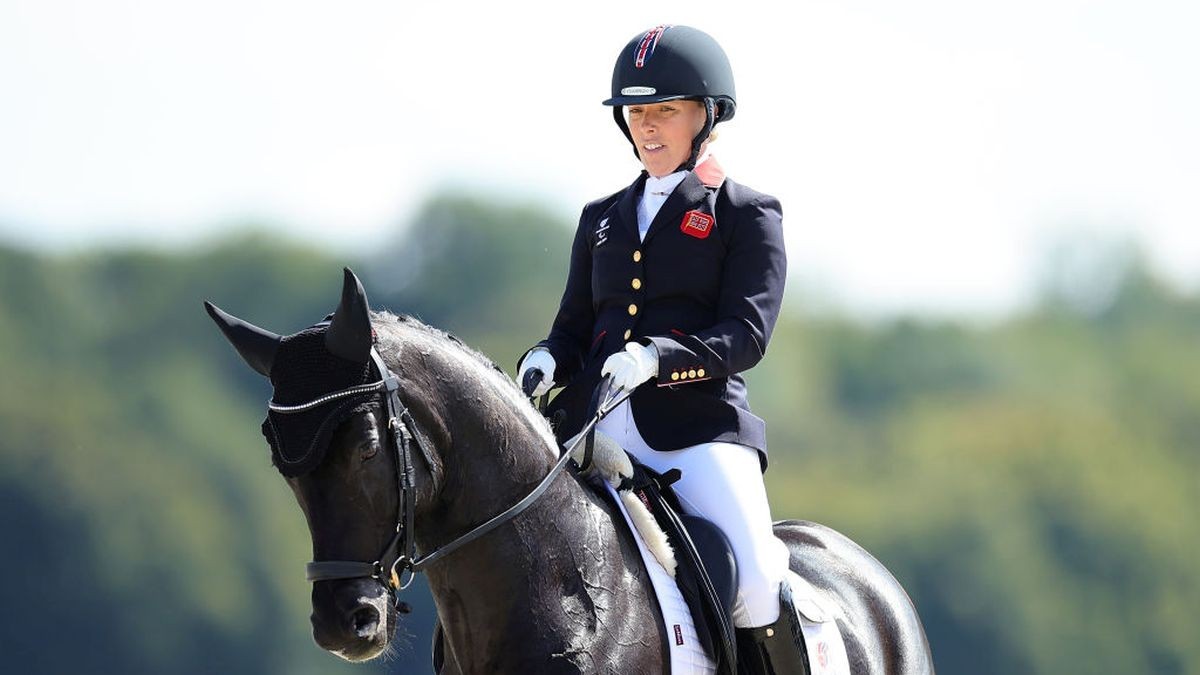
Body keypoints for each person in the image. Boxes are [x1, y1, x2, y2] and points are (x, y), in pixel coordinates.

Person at [518, 25, 805, 672]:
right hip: (590, 426)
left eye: (665, 111)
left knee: (757, 577)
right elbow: (572, 329)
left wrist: (657, 358)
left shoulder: (746, 214)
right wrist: (545, 360)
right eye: (638, 112)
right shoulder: (601, 218)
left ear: (707, 116)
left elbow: (747, 334)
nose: (648, 126)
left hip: (696, 430)